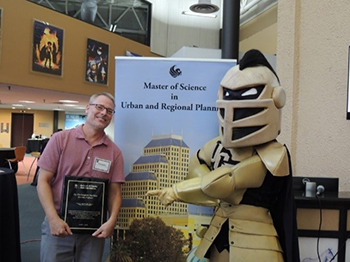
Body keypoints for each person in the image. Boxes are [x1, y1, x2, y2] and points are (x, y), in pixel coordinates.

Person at [147, 50, 299, 262]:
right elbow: (197, 165)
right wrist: (208, 191)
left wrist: (177, 191)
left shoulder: (275, 153)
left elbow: (227, 182)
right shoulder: (219, 146)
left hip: (257, 245)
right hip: (218, 236)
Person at [37, 92, 125, 262]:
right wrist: (52, 219)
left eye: (109, 111)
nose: (103, 113)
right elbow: (43, 181)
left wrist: (112, 221)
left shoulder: (114, 153)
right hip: (58, 226)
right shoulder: (60, 140)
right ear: (87, 108)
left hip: (94, 232)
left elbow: (114, 193)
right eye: (99, 107)